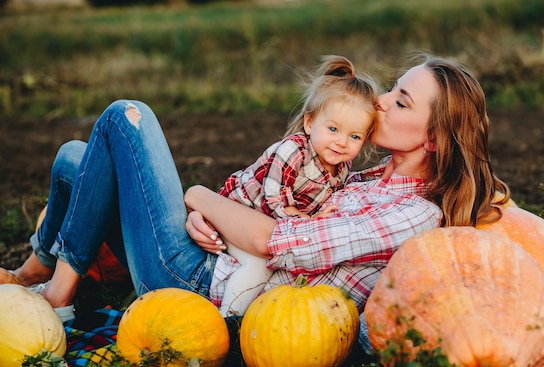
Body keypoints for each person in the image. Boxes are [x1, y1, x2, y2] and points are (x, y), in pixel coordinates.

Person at [0, 52, 510, 326]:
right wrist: (206, 217)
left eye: (401, 101)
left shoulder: (413, 213)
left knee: (125, 117)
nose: (380, 101)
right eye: (393, 89)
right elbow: (265, 215)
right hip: (207, 257)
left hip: (199, 289)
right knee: (75, 158)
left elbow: (276, 243)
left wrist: (200, 197)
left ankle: (57, 299)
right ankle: (36, 268)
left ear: (437, 139)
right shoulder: (366, 179)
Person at [217, 55, 378, 316]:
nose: (341, 142)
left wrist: (320, 218)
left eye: (354, 136)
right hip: (237, 213)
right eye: (333, 129)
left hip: (266, 228)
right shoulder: (294, 151)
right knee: (259, 266)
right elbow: (273, 199)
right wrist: (304, 221)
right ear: (309, 122)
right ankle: (227, 320)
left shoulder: (342, 168)